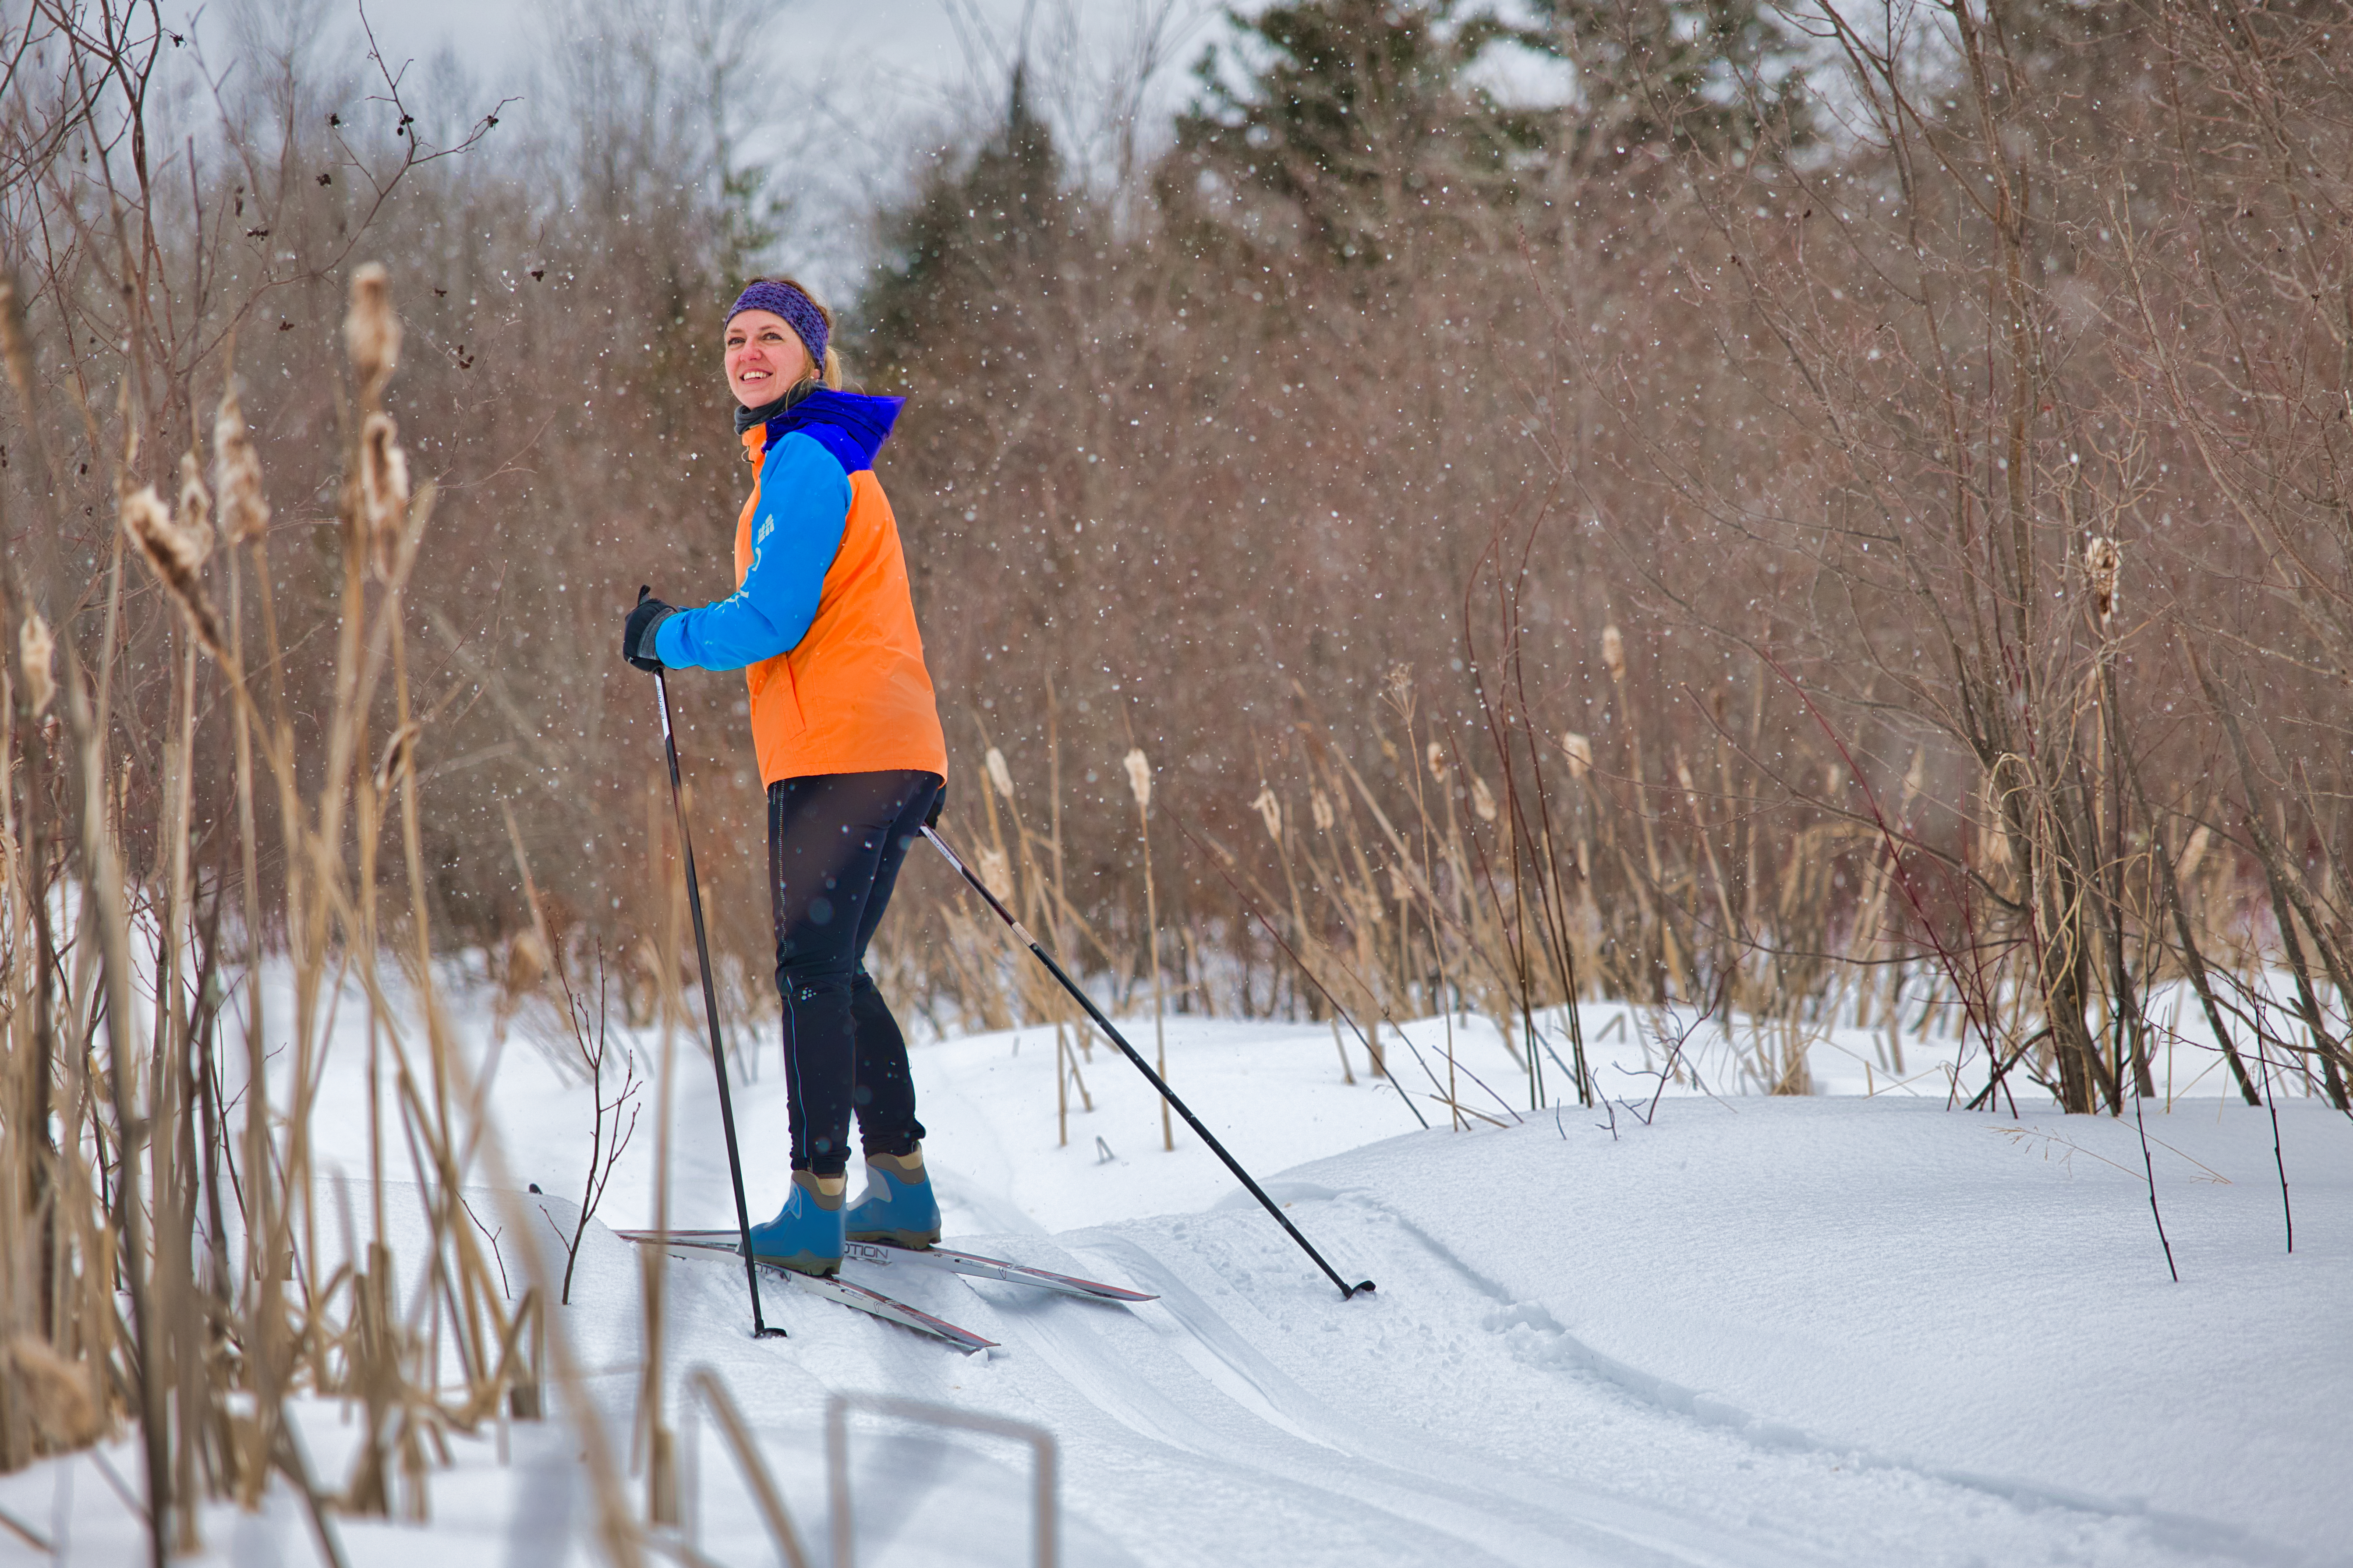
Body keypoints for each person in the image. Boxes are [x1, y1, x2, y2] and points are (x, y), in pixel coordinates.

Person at [620, 278, 947, 1277]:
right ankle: (900, 1185)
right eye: (734, 339)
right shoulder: (818, 456)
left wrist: (665, 636)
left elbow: (773, 618)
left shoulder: (804, 459)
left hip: (842, 753)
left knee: (810, 972)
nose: (749, 353)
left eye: (771, 337)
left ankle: (815, 1202)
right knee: (834, 966)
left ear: (812, 358)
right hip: (890, 748)